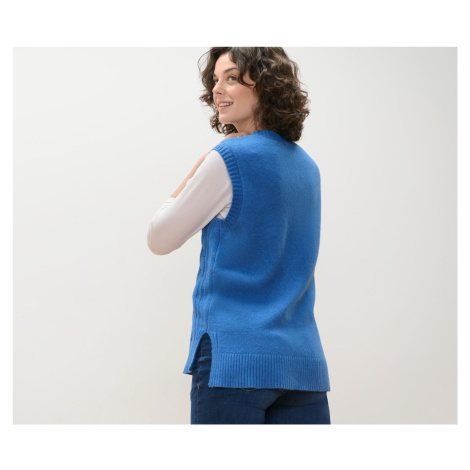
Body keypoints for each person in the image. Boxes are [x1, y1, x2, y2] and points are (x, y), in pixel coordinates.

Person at [147, 47, 331, 424]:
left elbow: (160, 238)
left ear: (266, 85)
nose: (217, 89)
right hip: (302, 365)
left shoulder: (229, 157)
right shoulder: (308, 167)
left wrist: (198, 168)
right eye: (215, 80)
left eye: (231, 78)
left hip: (234, 360)